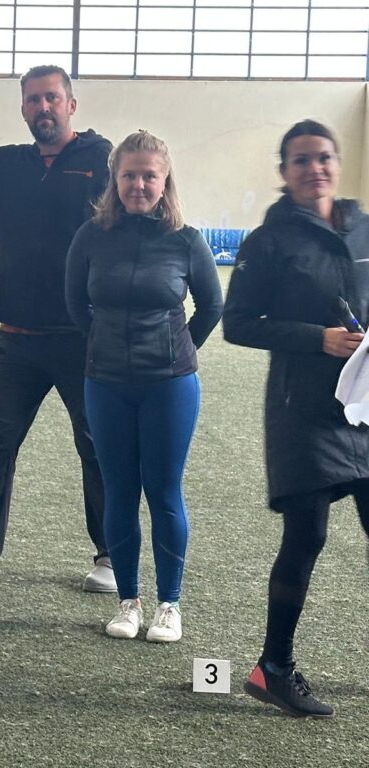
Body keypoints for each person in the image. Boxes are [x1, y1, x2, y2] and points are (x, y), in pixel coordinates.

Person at [0, 65, 116, 591]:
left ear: (71, 104)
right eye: (33, 100)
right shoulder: (7, 166)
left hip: (83, 338)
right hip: (17, 340)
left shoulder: (103, 160)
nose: (43, 107)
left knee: (97, 448)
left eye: (52, 98)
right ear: (23, 109)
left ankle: (112, 556)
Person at [223, 119, 369, 718]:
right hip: (302, 409)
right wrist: (318, 338)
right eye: (302, 160)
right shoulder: (268, 242)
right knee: (307, 535)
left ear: (338, 163)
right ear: (284, 171)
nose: (315, 169)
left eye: (324, 157)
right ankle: (274, 669)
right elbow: (238, 324)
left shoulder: (363, 228)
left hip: (364, 405)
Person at [65, 130, 223, 643]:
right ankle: (128, 602)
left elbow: (212, 306)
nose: (138, 185)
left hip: (170, 385)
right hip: (106, 383)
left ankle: (168, 605)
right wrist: (103, 344)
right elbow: (75, 303)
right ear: (114, 179)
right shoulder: (91, 236)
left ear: (164, 180)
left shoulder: (186, 240)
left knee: (163, 491)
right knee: (118, 490)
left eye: (148, 176)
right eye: (129, 175)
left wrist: (178, 348)